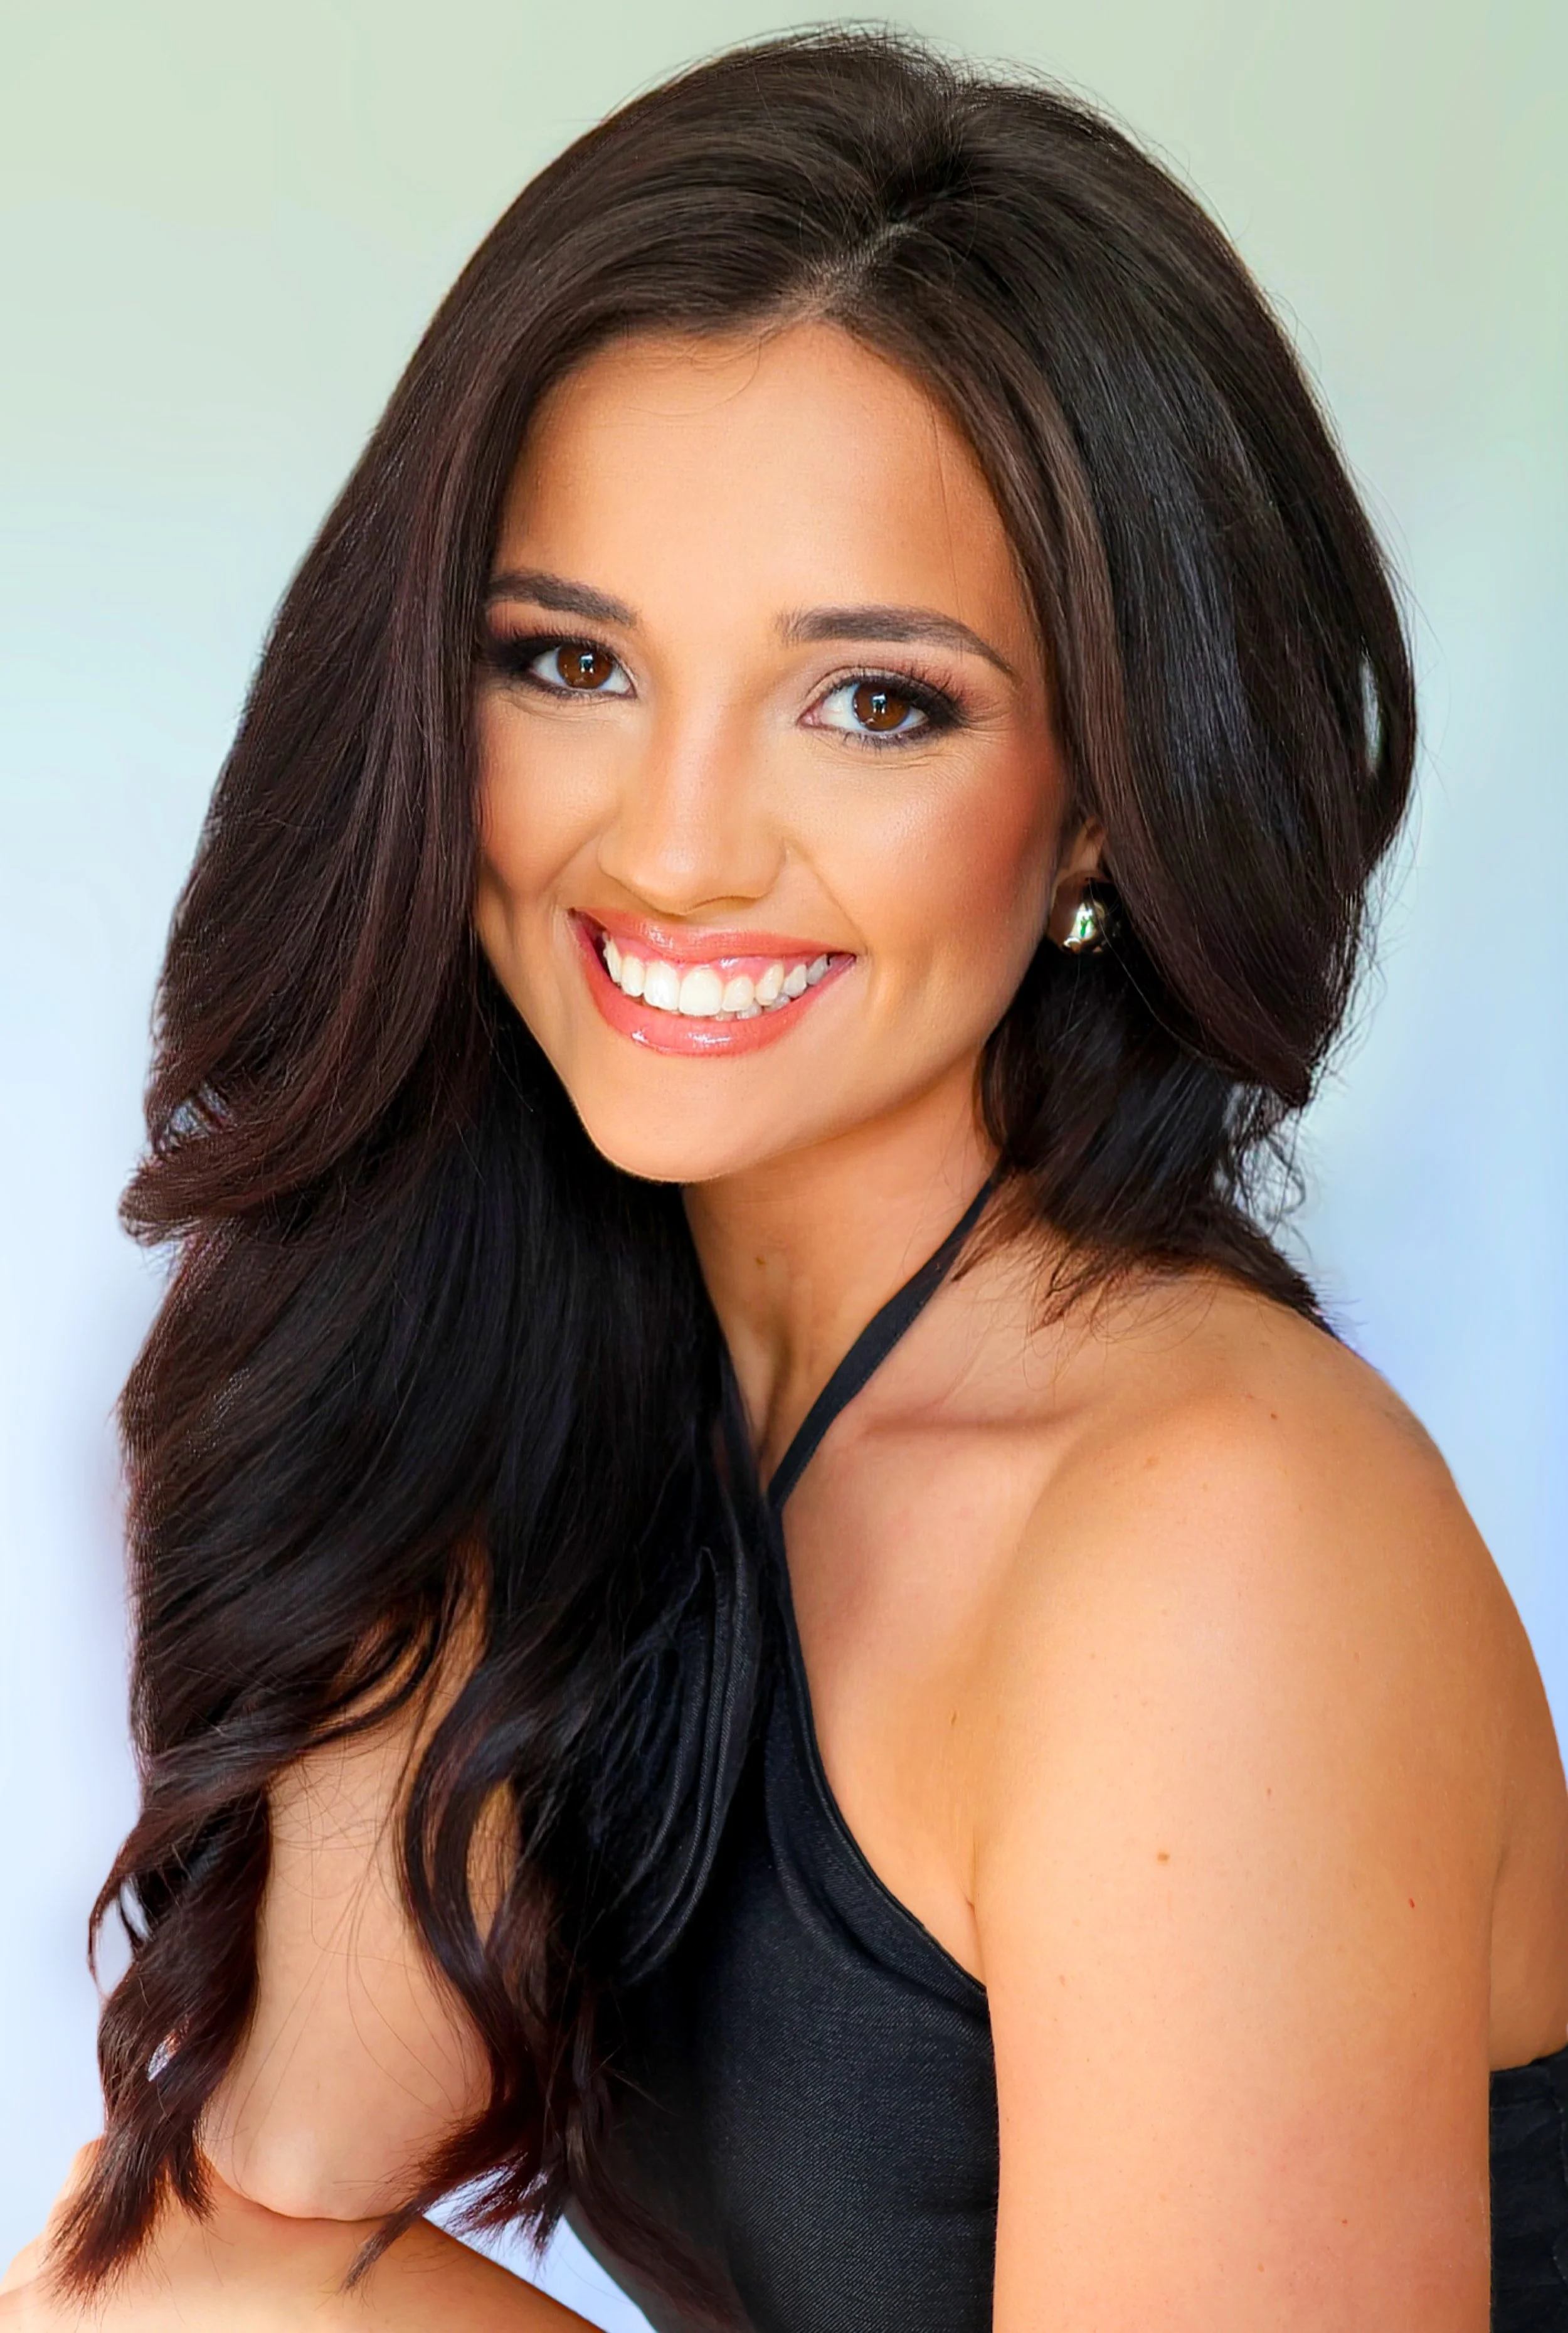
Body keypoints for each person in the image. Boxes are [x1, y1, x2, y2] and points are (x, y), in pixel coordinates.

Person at [6, 28, 1566, 2333]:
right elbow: (265, 2211)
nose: (675, 844)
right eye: (567, 664)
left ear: (1107, 799)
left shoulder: (1209, 1533)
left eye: (874, 703)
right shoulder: (602, 1359)